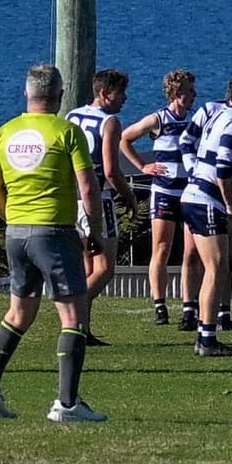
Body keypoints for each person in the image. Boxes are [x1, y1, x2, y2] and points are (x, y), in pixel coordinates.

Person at [0, 64, 107, 425]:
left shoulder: (7, 131)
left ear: (27, 95)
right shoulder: (67, 132)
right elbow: (87, 187)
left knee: (18, 314)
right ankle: (67, 404)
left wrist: (10, 215)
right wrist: (94, 231)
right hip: (54, 232)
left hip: (17, 233)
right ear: (59, 97)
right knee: (72, 317)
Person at [179, 71, 232, 357]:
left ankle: (206, 334)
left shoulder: (218, 114)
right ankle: (207, 339)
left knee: (216, 268)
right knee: (216, 269)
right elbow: (224, 168)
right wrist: (230, 203)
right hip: (206, 201)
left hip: (194, 196)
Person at [131, 70, 200, 327]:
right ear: (178, 94)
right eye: (190, 91)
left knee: (191, 251)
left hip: (190, 193)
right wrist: (143, 166)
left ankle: (189, 307)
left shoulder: (195, 122)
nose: (194, 96)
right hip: (163, 192)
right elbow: (125, 138)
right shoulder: (158, 119)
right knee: (161, 248)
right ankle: (160, 305)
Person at [68, 68, 135, 313]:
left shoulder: (72, 115)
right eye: (121, 93)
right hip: (97, 198)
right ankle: (76, 311)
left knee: (87, 266)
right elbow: (110, 170)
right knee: (105, 268)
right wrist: (128, 196)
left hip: (71, 197)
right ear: (105, 94)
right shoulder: (109, 122)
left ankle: (82, 327)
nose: (125, 98)